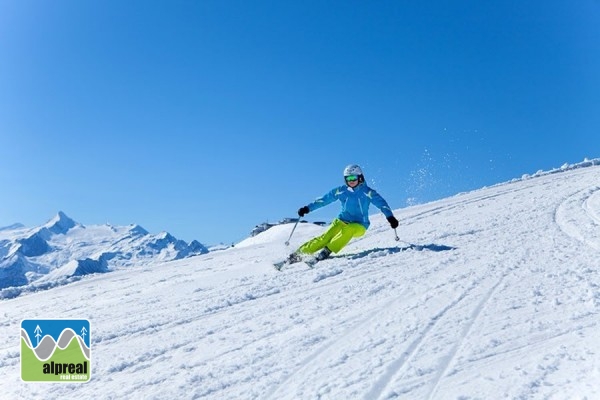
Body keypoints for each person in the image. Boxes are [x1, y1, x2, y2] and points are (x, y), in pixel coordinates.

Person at [287, 164, 399, 263]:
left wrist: (390, 217)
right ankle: (297, 255)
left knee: (349, 229)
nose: (351, 181)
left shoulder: (368, 192)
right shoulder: (341, 190)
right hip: (341, 220)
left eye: (353, 177)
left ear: (360, 177)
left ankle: (326, 251)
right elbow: (324, 200)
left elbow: (382, 204)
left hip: (360, 225)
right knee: (324, 238)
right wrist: (308, 208)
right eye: (348, 178)